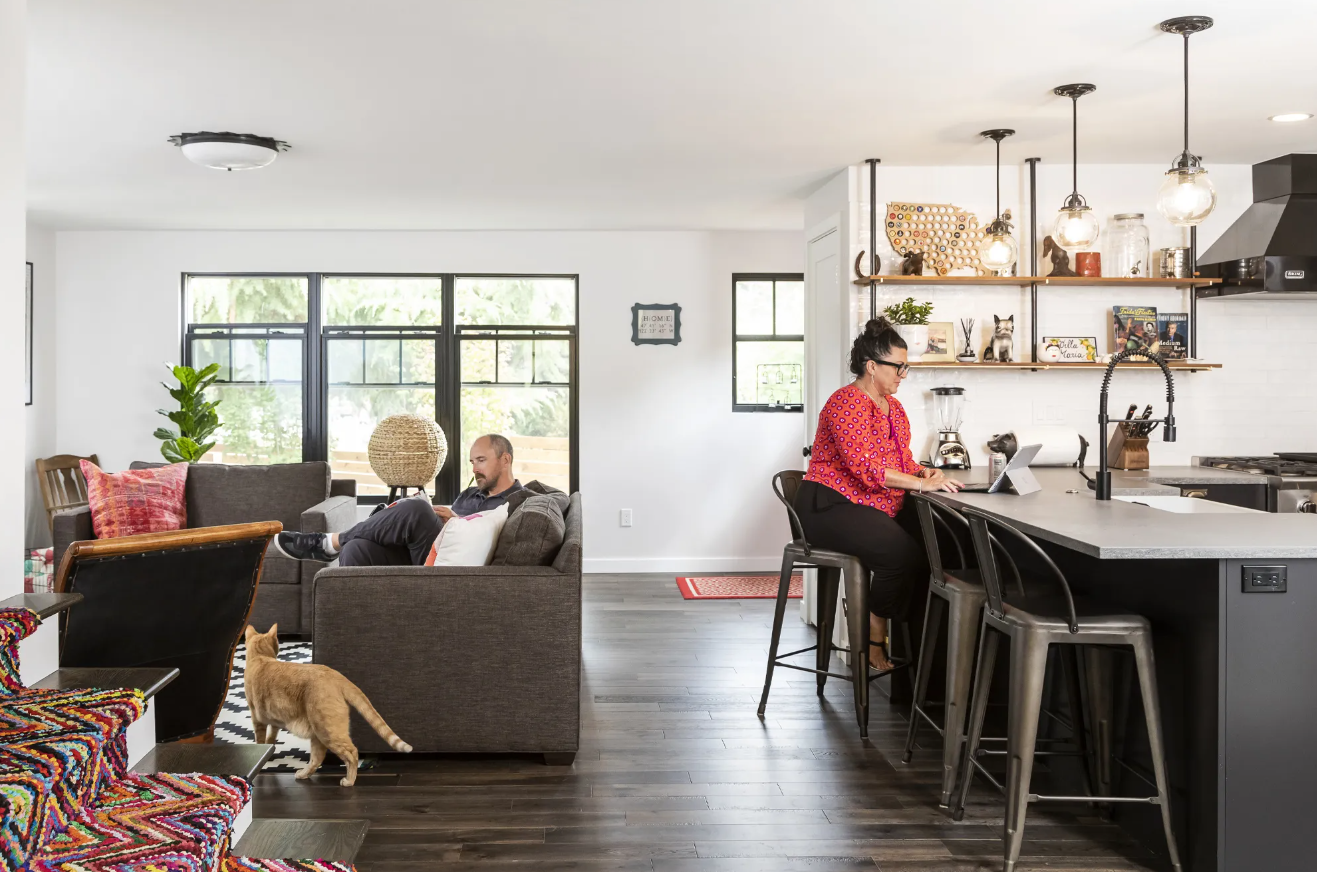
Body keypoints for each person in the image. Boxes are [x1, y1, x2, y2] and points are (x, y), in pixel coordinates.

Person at [796, 317, 961, 671]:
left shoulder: (895, 409)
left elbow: (898, 461)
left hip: (868, 507)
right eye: (898, 366)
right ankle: (873, 638)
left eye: (906, 366)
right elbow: (866, 468)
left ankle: (917, 662)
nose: (903, 373)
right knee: (901, 556)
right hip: (829, 505)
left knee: (938, 546)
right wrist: (920, 484)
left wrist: (922, 470)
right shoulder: (846, 402)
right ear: (872, 366)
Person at [273, 434, 524, 567]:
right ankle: (351, 631)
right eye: (472, 462)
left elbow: (497, 544)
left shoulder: (515, 502)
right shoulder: (470, 493)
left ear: (505, 460)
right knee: (356, 549)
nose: (475, 469)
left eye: (481, 460)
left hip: (451, 567)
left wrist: (456, 520)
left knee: (416, 510)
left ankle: (329, 542)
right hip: (427, 552)